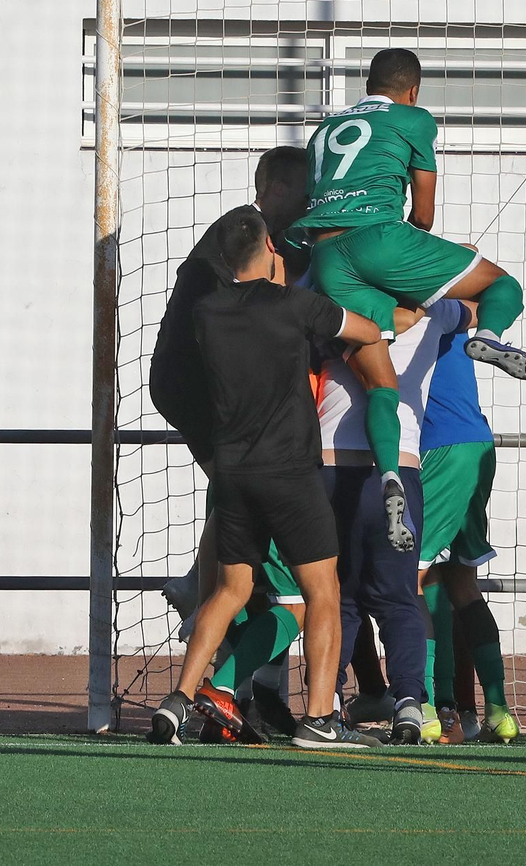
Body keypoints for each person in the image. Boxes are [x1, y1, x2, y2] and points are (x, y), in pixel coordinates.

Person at [148, 205, 384, 749]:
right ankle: (320, 720)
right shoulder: (296, 305)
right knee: (322, 591)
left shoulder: (206, 312)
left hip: (233, 474)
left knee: (230, 590)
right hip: (290, 475)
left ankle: (177, 700)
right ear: (273, 249)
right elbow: (367, 330)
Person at [291, 48, 526, 554]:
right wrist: (412, 259)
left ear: (368, 84)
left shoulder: (323, 130)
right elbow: (423, 214)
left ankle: (389, 478)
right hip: (382, 238)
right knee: (502, 286)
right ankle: (489, 338)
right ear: (413, 90)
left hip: (326, 257)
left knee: (381, 386)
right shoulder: (414, 118)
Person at [153, 146, 310, 618]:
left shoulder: (265, 235)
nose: (312, 202)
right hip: (194, 384)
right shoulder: (241, 233)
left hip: (199, 382)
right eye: (307, 192)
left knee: (238, 486)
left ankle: (207, 588)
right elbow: (242, 309)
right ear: (277, 188)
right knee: (247, 485)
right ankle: (207, 594)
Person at [317, 296, 474, 744]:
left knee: (339, 598)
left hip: (331, 463)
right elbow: (479, 302)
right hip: (400, 463)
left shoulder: (336, 299)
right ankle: (409, 702)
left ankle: (327, 704)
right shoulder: (434, 308)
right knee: (400, 599)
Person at [418, 325, 520, 744]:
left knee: (412, 578)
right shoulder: (453, 315)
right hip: (478, 443)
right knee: (462, 582)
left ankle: (426, 707)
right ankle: (498, 711)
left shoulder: (404, 314)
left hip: (438, 447)